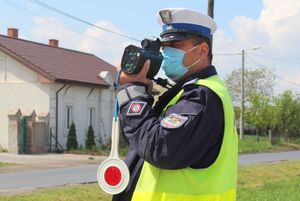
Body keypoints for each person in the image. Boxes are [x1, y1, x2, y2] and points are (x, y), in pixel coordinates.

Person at [113, 8, 238, 201]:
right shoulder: (183, 93)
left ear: (202, 50)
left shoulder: (202, 96)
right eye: (165, 46)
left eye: (175, 44)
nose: (166, 53)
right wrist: (142, 97)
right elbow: (140, 141)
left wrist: (132, 94)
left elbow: (160, 148)